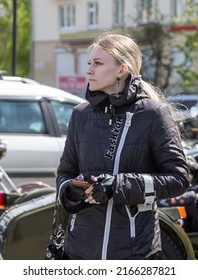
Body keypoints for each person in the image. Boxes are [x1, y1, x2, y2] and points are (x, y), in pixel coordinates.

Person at [56, 33, 189, 260]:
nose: (89, 70)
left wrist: (117, 186)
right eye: (90, 63)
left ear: (122, 70)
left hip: (134, 252)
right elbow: (64, 173)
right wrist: (70, 189)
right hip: (79, 250)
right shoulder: (80, 115)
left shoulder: (153, 114)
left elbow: (178, 179)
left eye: (98, 63)